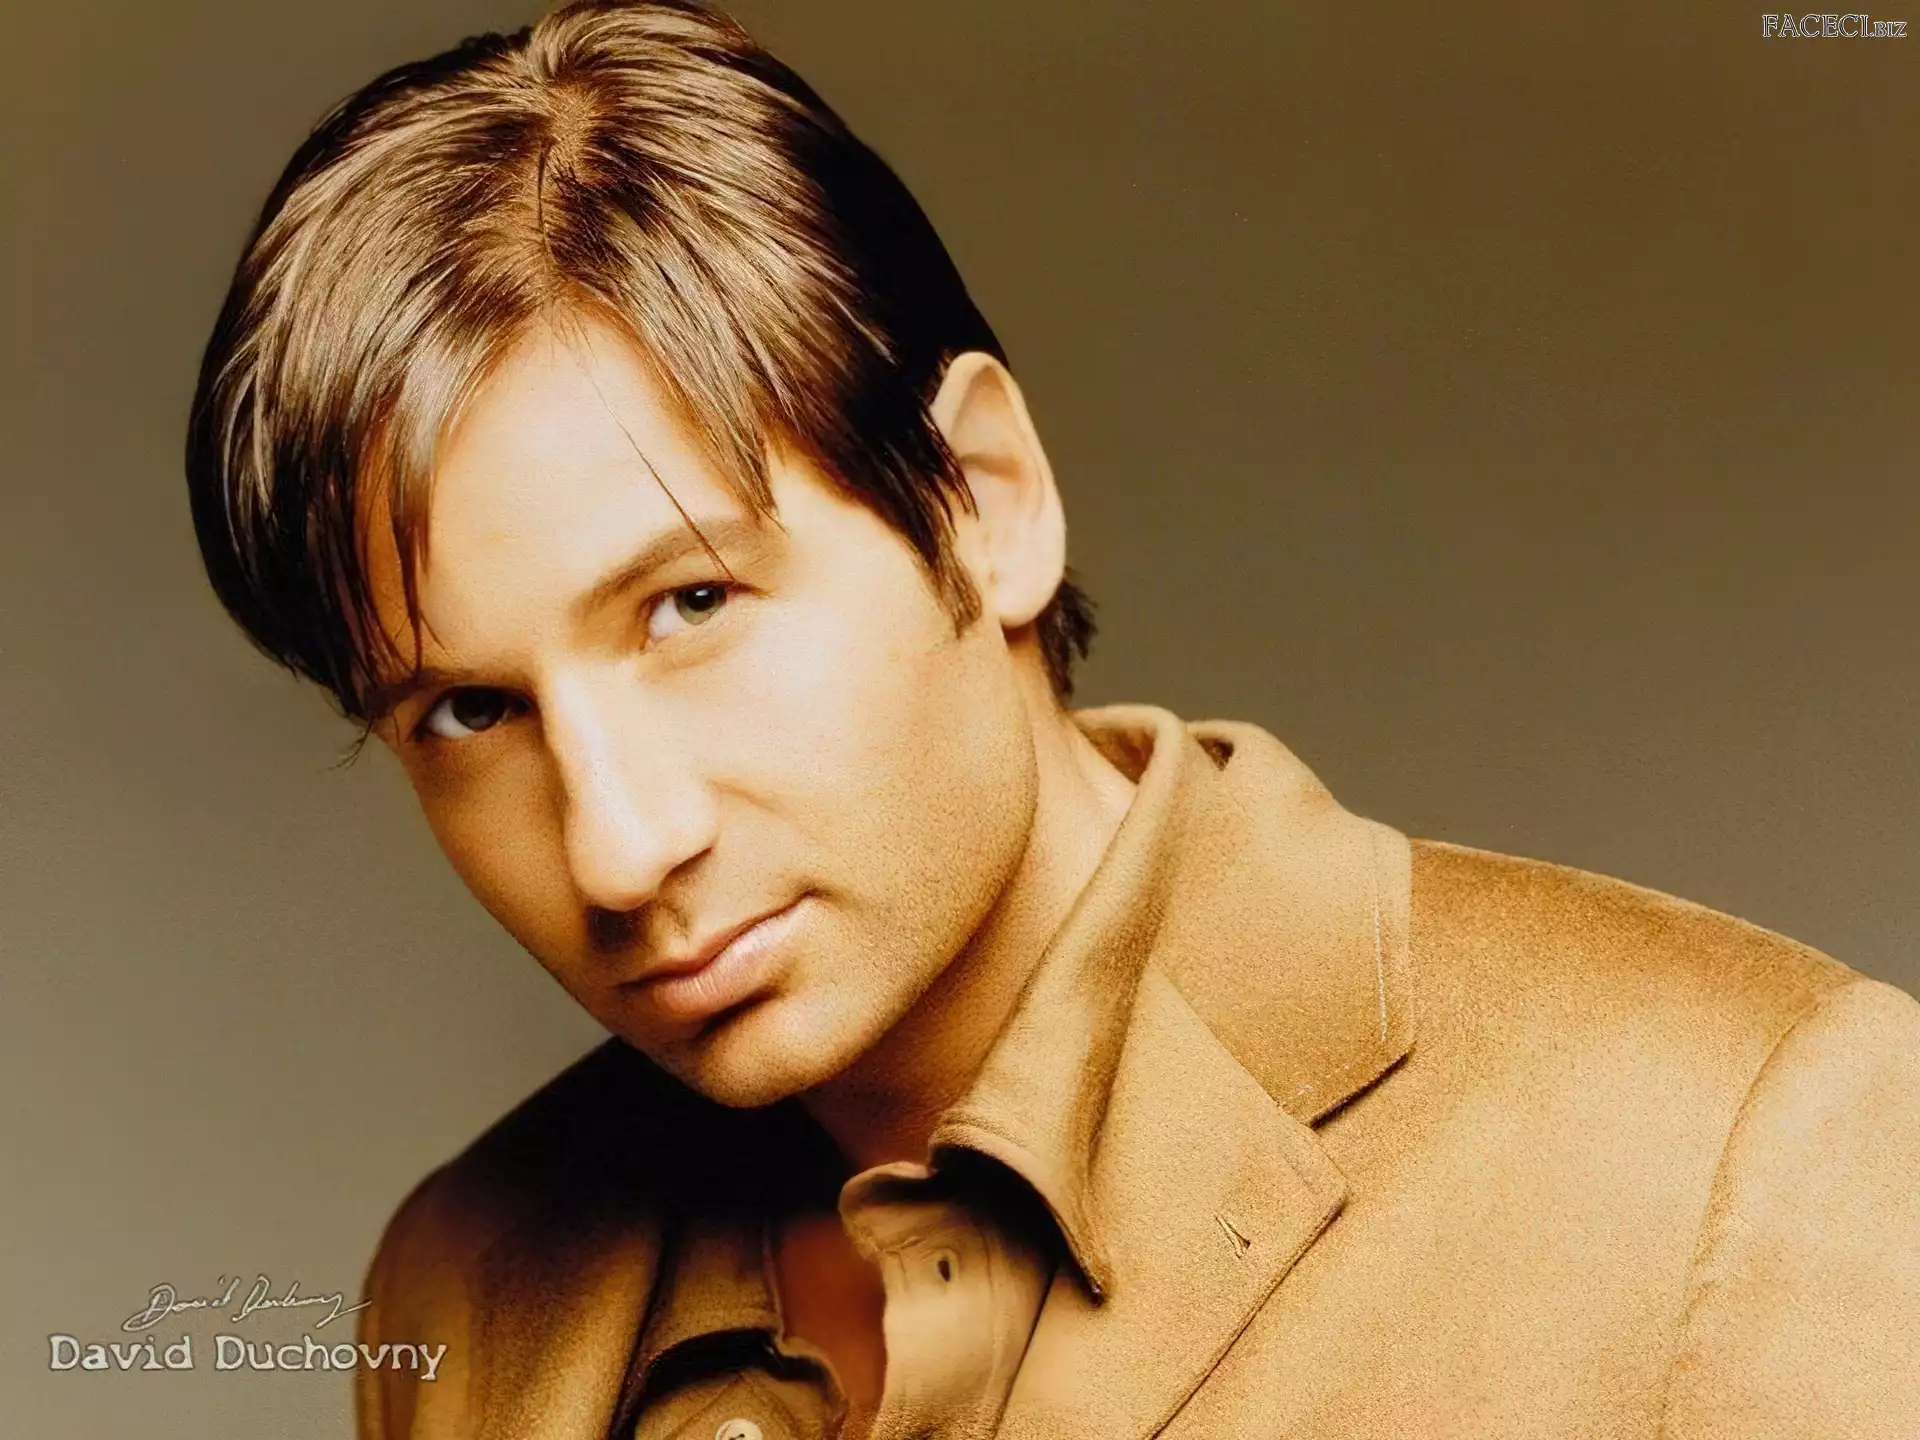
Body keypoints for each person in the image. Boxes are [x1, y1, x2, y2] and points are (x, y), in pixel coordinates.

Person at [183, 2, 1920, 1436]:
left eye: (692, 605)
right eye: (470, 710)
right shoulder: (469, 1295)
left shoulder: (1747, 1149)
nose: (623, 847)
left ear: (985, 502)